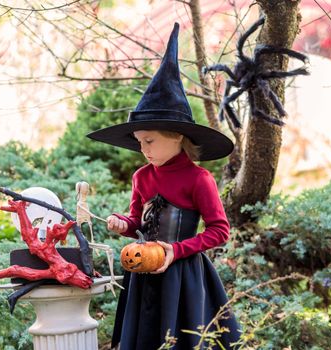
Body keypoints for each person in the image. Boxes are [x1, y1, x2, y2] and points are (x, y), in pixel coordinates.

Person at [87, 23, 240, 349]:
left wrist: (176, 250)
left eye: (150, 140)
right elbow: (137, 224)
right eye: (140, 142)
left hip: (183, 279)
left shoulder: (199, 179)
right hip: (142, 274)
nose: (144, 148)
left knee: (180, 340)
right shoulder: (142, 176)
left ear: (177, 136)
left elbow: (219, 230)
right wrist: (122, 224)